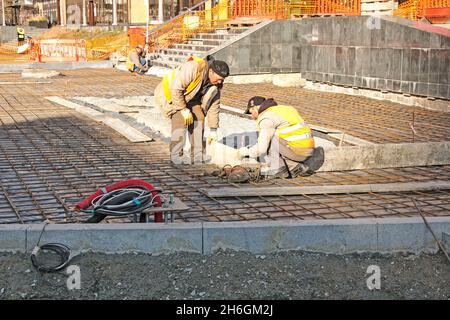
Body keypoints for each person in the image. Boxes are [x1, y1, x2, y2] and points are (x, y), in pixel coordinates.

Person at [154, 56, 230, 164]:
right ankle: (176, 155)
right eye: (218, 79)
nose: (219, 82)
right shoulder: (193, 68)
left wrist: (213, 129)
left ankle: (197, 155)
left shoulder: (216, 85)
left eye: (222, 80)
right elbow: (175, 89)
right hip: (172, 95)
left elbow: (214, 106)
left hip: (191, 99)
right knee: (180, 121)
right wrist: (183, 109)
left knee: (199, 119)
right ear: (211, 71)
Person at [238, 96, 319, 178]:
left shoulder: (266, 118)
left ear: (255, 108)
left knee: (269, 139)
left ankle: (277, 169)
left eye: (251, 112)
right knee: (275, 136)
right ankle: (294, 167)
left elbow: (261, 148)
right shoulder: (285, 109)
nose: (252, 116)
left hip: (298, 151)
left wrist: (246, 152)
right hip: (309, 151)